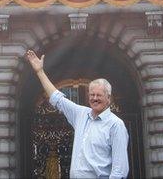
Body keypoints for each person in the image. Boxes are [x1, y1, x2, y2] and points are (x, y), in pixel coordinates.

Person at [25, 50, 129, 179]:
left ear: (108, 98)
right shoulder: (81, 114)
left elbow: (120, 170)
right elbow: (58, 98)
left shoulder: (116, 125)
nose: (94, 98)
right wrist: (40, 72)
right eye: (92, 94)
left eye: (99, 95)